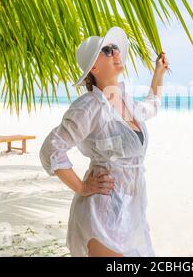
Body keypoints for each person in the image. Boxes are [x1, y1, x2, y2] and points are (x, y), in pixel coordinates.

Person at [39, 26, 169, 257]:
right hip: (101, 215)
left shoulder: (126, 101)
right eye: (108, 50)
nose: (116, 53)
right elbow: (52, 149)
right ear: (94, 67)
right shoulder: (90, 105)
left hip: (131, 213)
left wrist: (158, 73)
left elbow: (152, 104)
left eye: (116, 48)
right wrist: (81, 187)